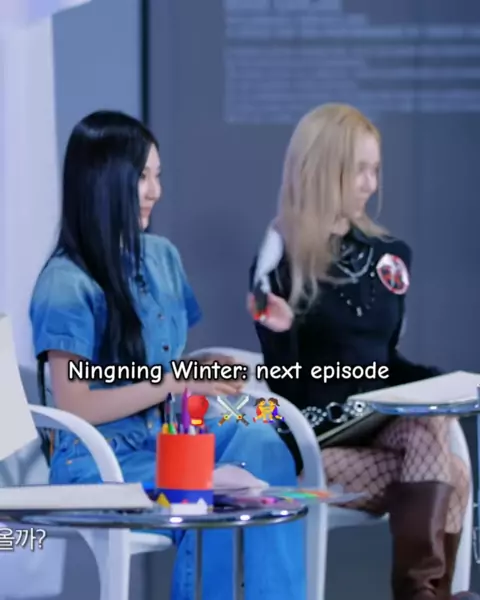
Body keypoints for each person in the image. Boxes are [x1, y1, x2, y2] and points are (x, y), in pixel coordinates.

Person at [29, 110, 306, 600]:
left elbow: (169, 364)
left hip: (170, 436)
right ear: (103, 181)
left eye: (158, 176)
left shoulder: (162, 257)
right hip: (98, 459)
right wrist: (177, 380)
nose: (155, 191)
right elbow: (76, 406)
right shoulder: (65, 283)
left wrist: (204, 377)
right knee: (217, 489)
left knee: (263, 441)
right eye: (142, 177)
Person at [248, 103, 477, 600]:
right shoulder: (280, 258)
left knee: (430, 428)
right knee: (453, 475)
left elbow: (382, 361)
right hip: (314, 437)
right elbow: (285, 386)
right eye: (360, 171)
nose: (371, 185)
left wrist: (442, 387)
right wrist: (280, 333)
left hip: (378, 427)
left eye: (376, 170)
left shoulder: (388, 255)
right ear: (323, 169)